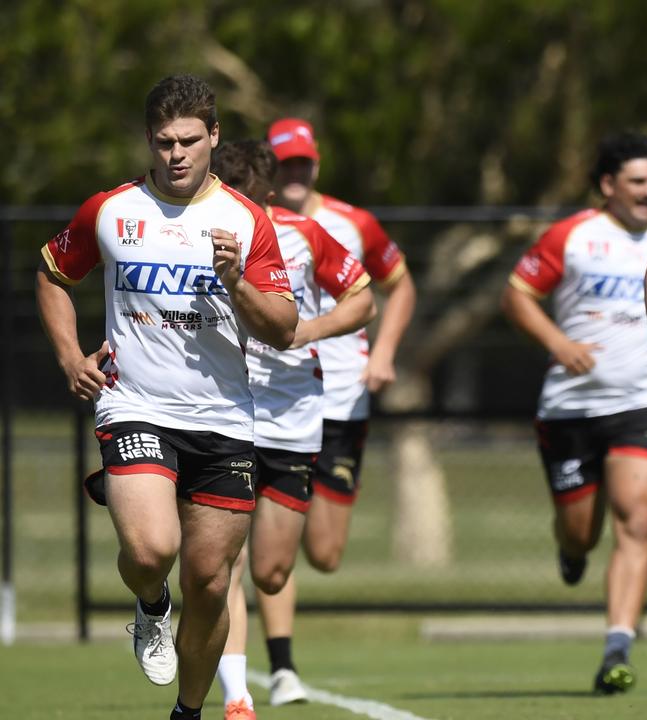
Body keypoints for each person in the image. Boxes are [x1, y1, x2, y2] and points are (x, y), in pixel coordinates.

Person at [35, 75, 298, 720]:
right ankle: (150, 602)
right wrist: (71, 356)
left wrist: (237, 282)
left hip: (225, 418)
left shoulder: (245, 219)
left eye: (189, 140)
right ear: (148, 142)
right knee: (153, 548)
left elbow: (283, 327)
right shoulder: (111, 210)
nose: (176, 154)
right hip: (135, 404)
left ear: (213, 137)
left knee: (210, 582)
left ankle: (188, 712)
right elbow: (51, 273)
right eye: (163, 142)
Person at [500, 131, 647, 695]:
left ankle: (617, 647)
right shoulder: (574, 236)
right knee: (582, 533)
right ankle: (571, 547)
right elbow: (517, 294)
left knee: (636, 518)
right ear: (608, 186)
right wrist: (557, 343)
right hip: (571, 408)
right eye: (637, 182)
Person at [209, 140, 375, 719]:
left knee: (271, 569)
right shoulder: (185, 233)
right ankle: (237, 696)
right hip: (220, 412)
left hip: (294, 414)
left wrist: (309, 330)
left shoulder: (304, 234)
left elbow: (363, 298)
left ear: (268, 199)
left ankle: (267, 665)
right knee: (221, 560)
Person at [254, 117, 416, 704]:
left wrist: (386, 355)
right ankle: (280, 666)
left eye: (303, 163)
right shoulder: (243, 222)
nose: (295, 173)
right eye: (284, 163)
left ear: (315, 165)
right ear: (269, 169)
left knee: (323, 553)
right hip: (271, 402)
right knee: (267, 539)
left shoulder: (352, 223)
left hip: (343, 400)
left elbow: (398, 285)